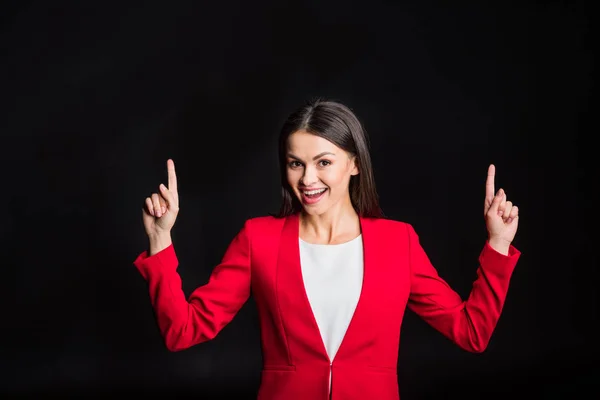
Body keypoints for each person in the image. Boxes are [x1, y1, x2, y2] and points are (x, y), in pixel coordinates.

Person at [133, 99, 521, 400]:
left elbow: (472, 332)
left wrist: (499, 244)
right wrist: (160, 239)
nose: (308, 179)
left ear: (354, 163)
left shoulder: (397, 242)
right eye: (295, 164)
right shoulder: (258, 239)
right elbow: (181, 331)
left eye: (323, 162)